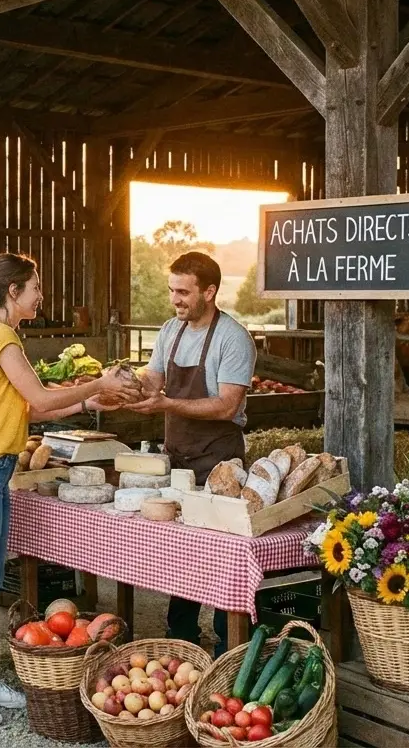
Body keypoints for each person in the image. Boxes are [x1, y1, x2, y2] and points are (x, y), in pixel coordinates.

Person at [0, 253, 141, 728]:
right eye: (35, 288)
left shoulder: (0, 335)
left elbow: (31, 410)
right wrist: (99, 380)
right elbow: (42, 397)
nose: (41, 296)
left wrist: (86, 400)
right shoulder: (1, 336)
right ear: (13, 292)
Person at [123, 251, 255, 655]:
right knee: (180, 554)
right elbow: (154, 382)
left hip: (220, 464)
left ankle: (225, 643)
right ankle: (180, 637)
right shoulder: (170, 330)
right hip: (178, 459)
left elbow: (227, 405)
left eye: (183, 292)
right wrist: (120, 387)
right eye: (171, 291)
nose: (175, 300)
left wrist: (166, 404)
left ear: (210, 291)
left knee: (218, 556)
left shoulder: (234, 338)